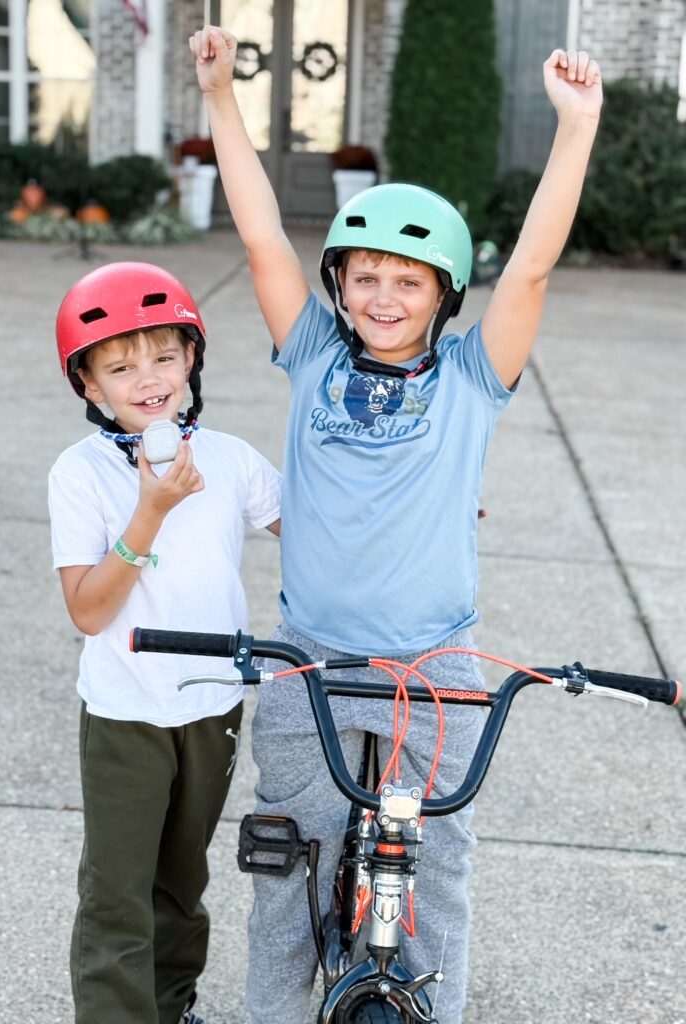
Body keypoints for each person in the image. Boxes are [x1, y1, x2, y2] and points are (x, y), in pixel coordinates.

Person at [191, 25, 602, 1024]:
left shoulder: (472, 377)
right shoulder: (311, 353)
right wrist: (220, 97)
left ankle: (432, 1011)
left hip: (435, 660)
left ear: (443, 294)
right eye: (365, 276)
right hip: (310, 654)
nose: (383, 296)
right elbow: (260, 236)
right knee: (289, 857)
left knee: (436, 867)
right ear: (339, 284)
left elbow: (532, 269)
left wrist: (576, 127)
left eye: (408, 280)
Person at [48, 261, 282, 1024]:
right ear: (89, 386)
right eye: (119, 367)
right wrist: (150, 510)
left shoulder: (230, 458)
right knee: (118, 890)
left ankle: (171, 1005)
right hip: (126, 712)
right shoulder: (80, 474)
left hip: (212, 706)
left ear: (192, 360)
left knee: (182, 881)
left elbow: (320, 530)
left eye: (164, 356)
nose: (147, 378)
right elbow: (88, 611)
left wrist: (428, 510)